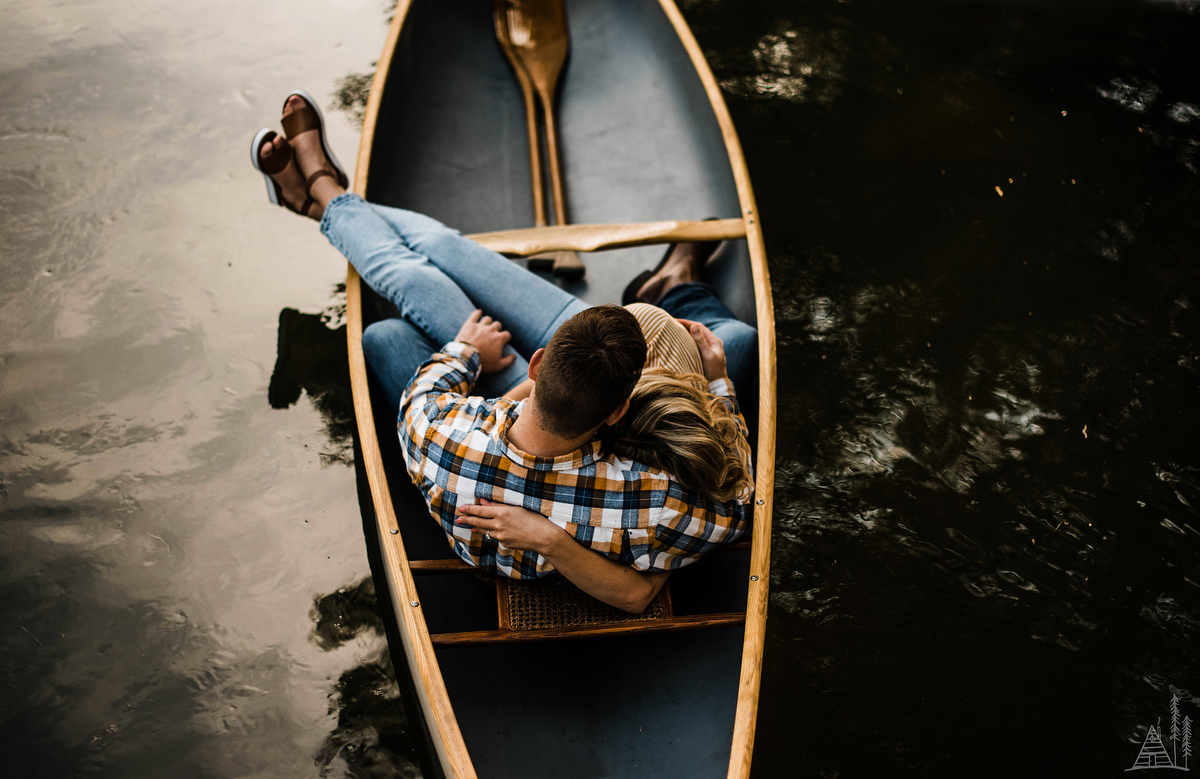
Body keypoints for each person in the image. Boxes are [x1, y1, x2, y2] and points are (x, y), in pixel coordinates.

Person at [252, 93, 757, 612]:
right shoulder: (653, 500)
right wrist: (717, 382)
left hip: (525, 412)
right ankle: (320, 194)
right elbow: (741, 503)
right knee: (738, 343)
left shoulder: (441, 431)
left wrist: (469, 352)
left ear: (538, 359)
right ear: (620, 410)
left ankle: (320, 193)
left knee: (410, 296)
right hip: (569, 415)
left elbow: (426, 392)